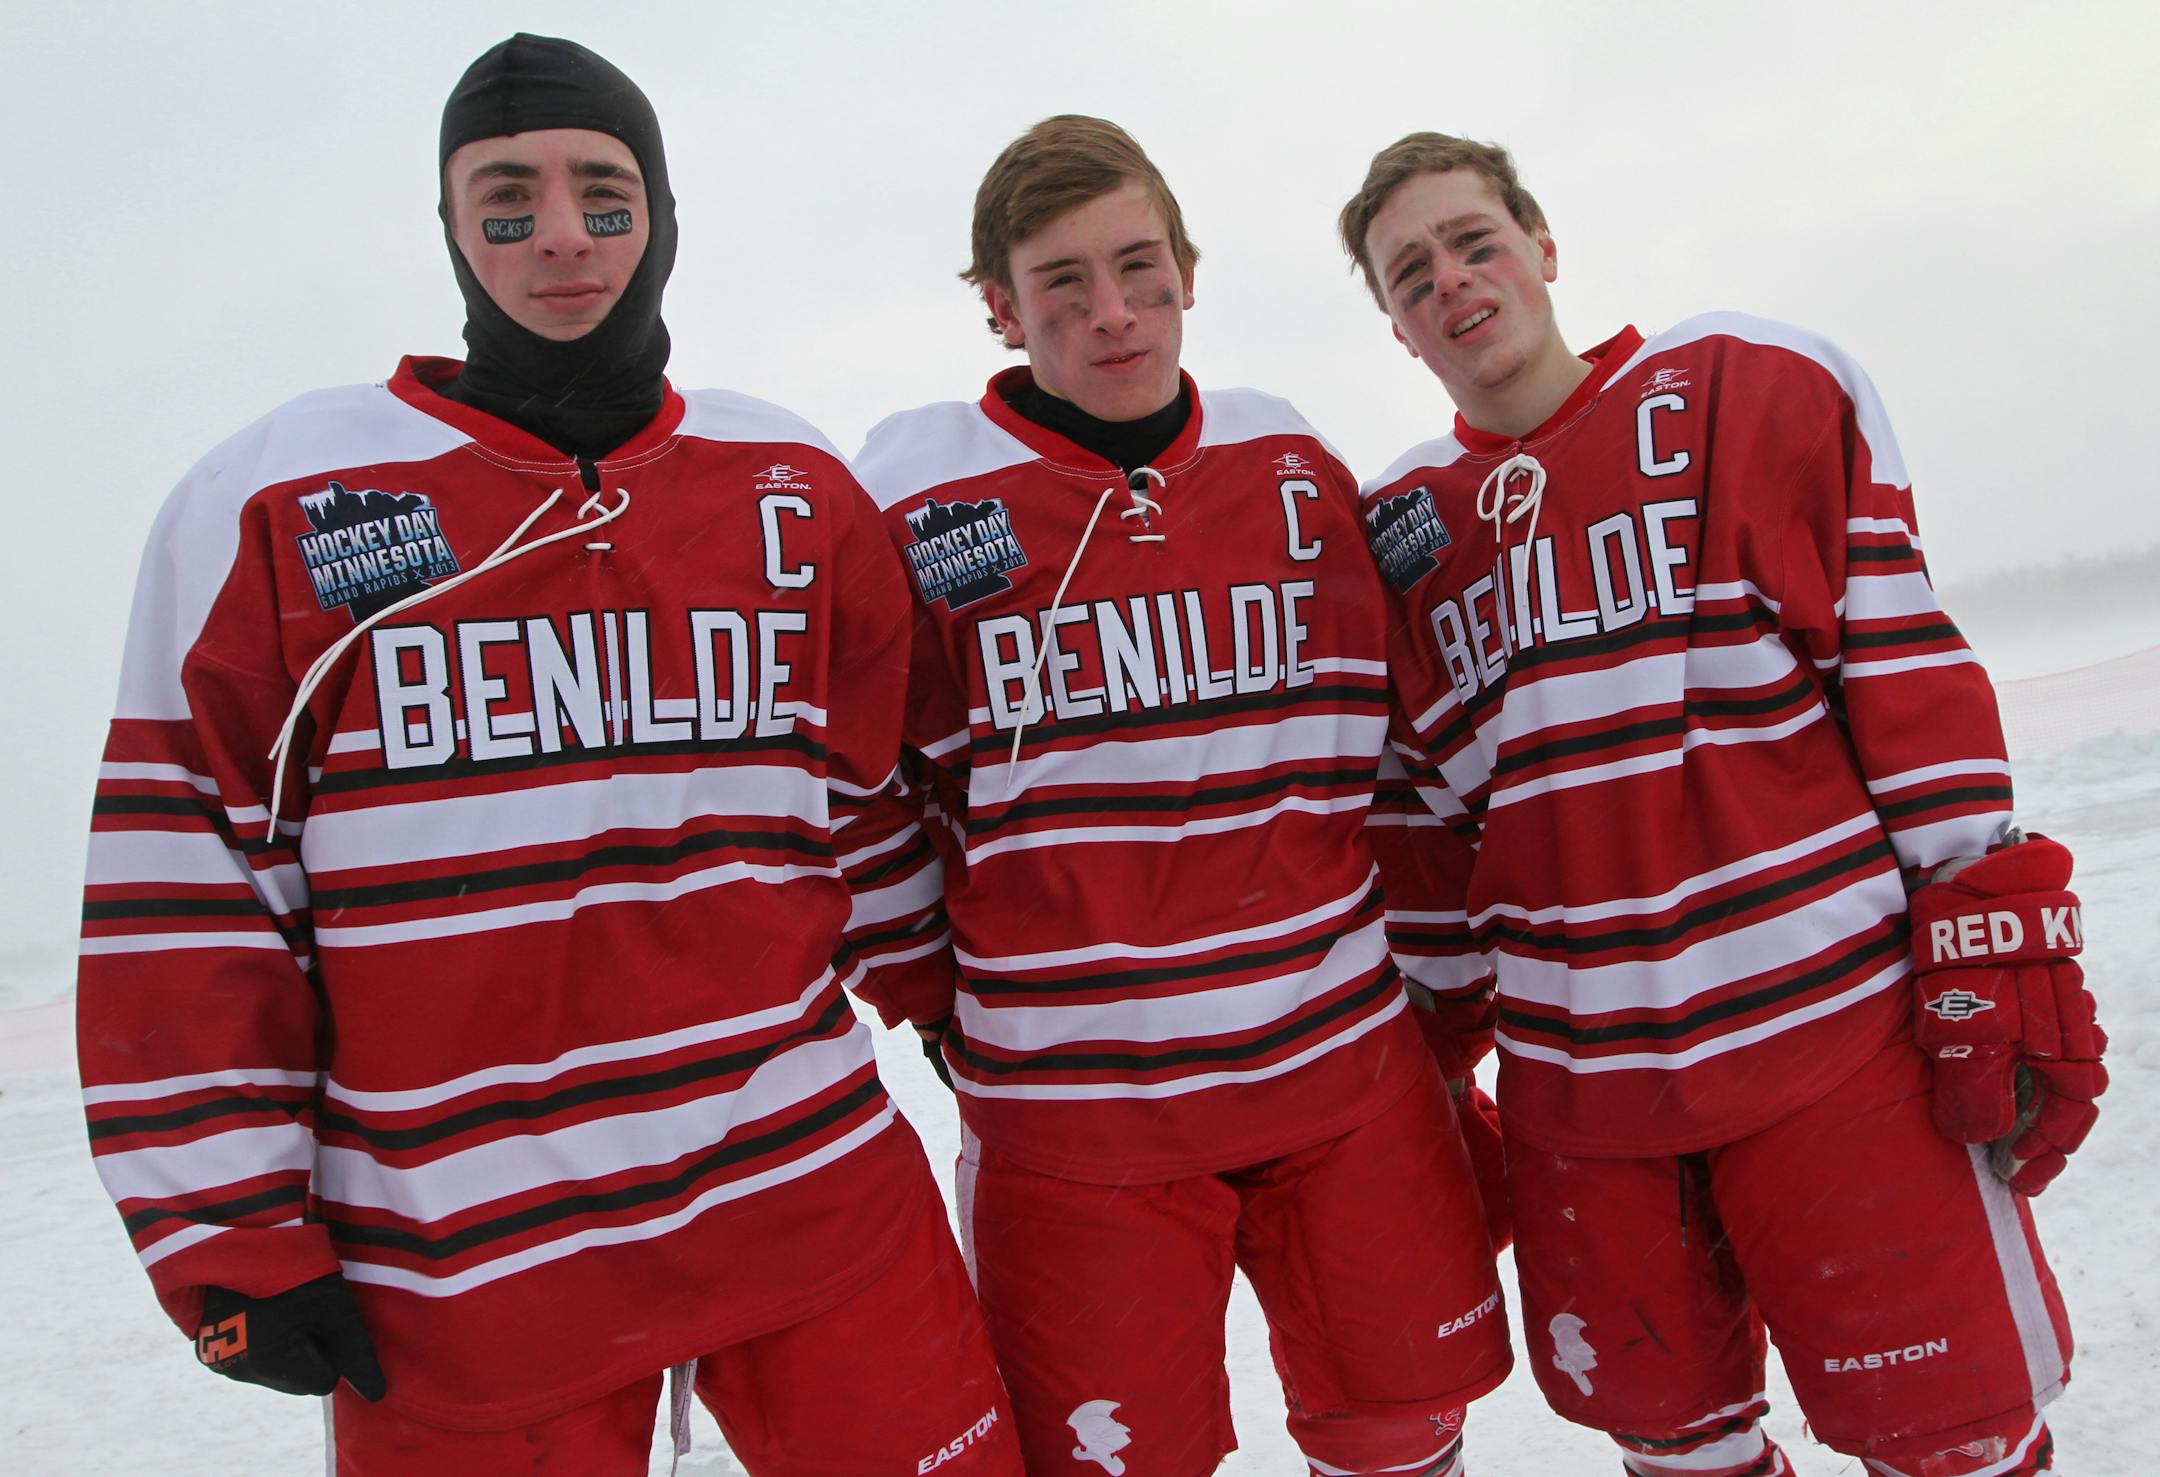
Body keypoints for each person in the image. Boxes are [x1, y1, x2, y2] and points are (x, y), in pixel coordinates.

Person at [75, 33, 1020, 1476]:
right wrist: (224, 1228)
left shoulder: (795, 486)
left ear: (663, 218)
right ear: (452, 227)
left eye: (605, 191)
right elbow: (189, 876)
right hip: (465, 1253)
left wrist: (948, 1000)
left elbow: (869, 803)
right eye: (508, 199)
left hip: (806, 1184)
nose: (562, 236)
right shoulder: (274, 498)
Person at [1335, 132, 2106, 1477]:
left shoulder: (1748, 389)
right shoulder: (1407, 534)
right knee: (1678, 1447)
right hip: (1585, 1087)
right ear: (1395, 327)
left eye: (1474, 241)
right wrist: (1435, 1056)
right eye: (1411, 274)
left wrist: (1989, 906)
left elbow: (1898, 665)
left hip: (1831, 1037)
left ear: (1542, 245)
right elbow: (1433, 835)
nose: (1451, 281)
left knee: (1952, 1434)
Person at [846, 115, 1511, 1477]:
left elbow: (1396, 756)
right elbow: (859, 791)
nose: (1113, 313)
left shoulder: (1295, 470)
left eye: (1140, 266)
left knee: (1397, 1428)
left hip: (1339, 1067)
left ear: (1191, 268)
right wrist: (933, 1005)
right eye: (1062, 283)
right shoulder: (914, 499)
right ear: (998, 308)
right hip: (1082, 1110)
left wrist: (1449, 1009)